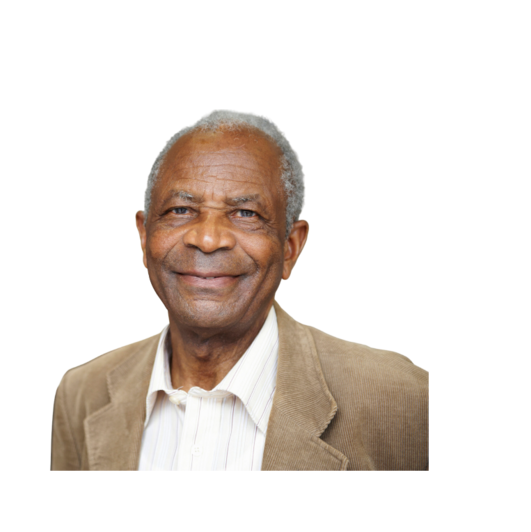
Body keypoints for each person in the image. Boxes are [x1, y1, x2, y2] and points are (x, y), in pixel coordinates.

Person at [49, 109, 430, 471]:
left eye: (246, 213)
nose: (208, 238)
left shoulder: (405, 400)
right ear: (144, 236)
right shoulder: (81, 393)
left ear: (291, 247)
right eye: (181, 209)